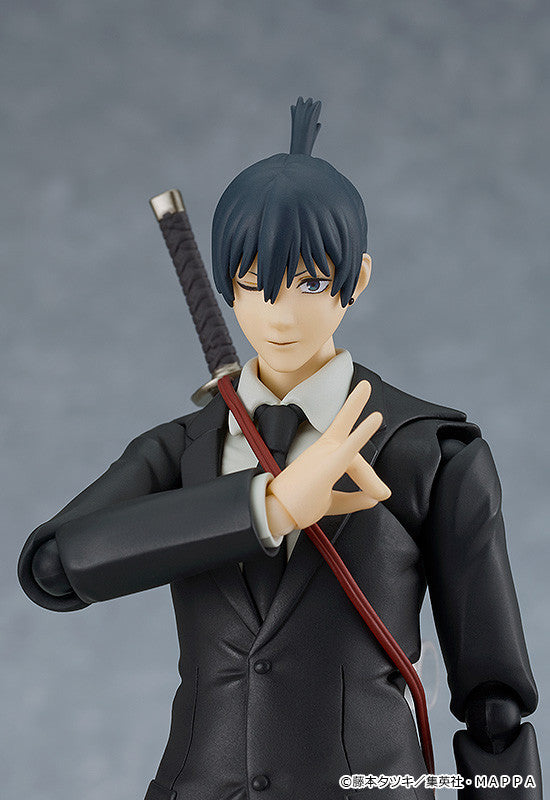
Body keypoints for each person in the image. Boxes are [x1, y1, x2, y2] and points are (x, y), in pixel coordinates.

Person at [18, 98, 542, 799]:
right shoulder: (184, 449)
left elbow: (495, 705)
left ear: (356, 280)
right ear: (227, 290)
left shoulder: (430, 453)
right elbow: (54, 568)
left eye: (311, 282)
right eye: (254, 284)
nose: (281, 313)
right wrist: (265, 509)